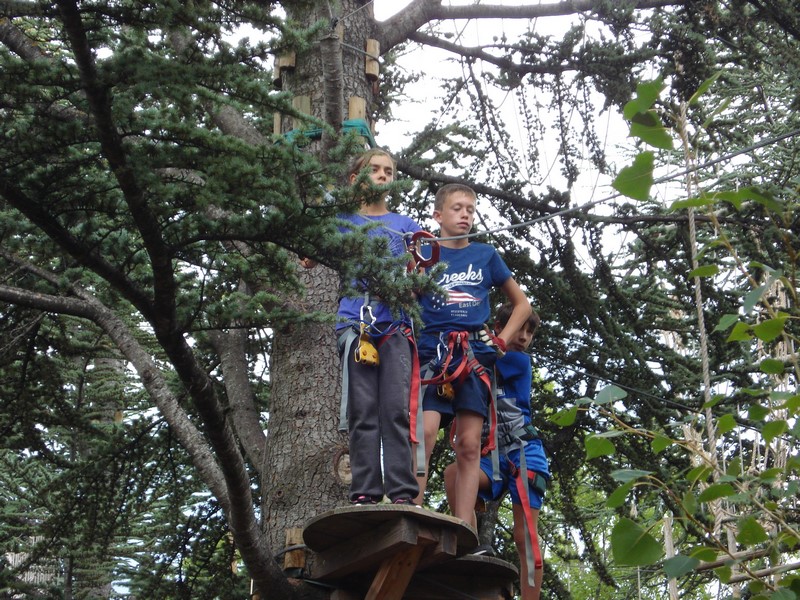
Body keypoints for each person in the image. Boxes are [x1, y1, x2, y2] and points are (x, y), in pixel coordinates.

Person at [303, 148, 421, 506]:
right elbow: (308, 258)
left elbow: (421, 277)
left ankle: (401, 492)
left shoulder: (406, 226)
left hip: (395, 324)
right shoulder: (342, 221)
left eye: (389, 171)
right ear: (356, 179)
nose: (383, 175)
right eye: (375, 170)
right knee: (363, 408)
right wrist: (322, 219)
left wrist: (411, 277)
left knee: (395, 409)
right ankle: (366, 489)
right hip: (356, 323)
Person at [413, 183, 530, 525]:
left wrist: (501, 342)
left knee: (468, 443)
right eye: (457, 208)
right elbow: (406, 298)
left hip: (474, 354)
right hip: (433, 350)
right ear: (438, 215)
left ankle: (464, 526)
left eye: (470, 209)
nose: (465, 215)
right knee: (425, 432)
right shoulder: (424, 253)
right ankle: (412, 509)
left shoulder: (485, 255)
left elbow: (522, 305)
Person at [444, 303, 549, 599]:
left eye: (530, 332)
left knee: (524, 535)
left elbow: (486, 361)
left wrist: (477, 339)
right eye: (520, 329)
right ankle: (471, 546)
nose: (524, 337)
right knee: (453, 474)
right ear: (501, 328)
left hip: (525, 453)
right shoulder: (485, 354)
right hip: (494, 457)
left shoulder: (518, 361)